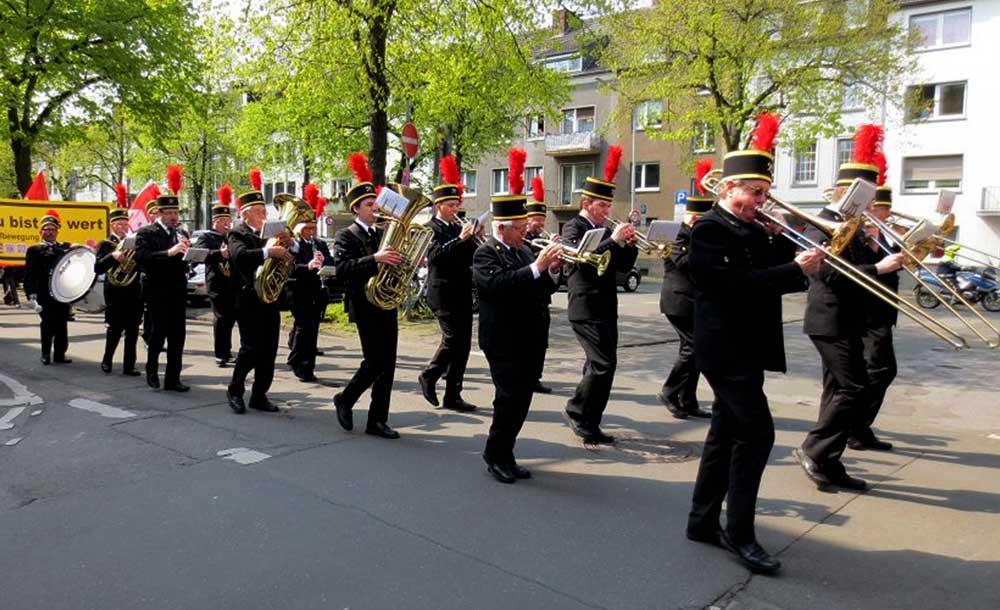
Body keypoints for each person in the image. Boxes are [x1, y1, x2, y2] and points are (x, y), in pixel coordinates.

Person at [685, 114, 823, 575]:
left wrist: (784, 243)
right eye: (755, 193)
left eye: (764, 194)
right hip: (724, 349)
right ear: (728, 189)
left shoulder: (751, 229)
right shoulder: (709, 229)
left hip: (746, 347)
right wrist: (792, 267)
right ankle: (740, 532)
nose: (761, 202)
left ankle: (702, 521)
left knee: (725, 433)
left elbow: (771, 274)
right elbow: (734, 285)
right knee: (758, 434)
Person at [796, 125, 905, 492]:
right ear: (849, 194)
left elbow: (859, 267)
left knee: (837, 390)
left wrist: (875, 250)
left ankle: (830, 459)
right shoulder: (822, 224)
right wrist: (879, 268)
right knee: (854, 387)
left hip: (850, 319)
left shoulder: (854, 226)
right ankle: (814, 449)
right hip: (829, 319)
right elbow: (828, 273)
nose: (871, 208)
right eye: (867, 201)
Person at [475, 185, 562, 484]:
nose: (525, 232)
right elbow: (497, 286)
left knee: (522, 399)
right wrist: (537, 267)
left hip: (529, 337)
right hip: (502, 339)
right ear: (502, 228)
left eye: (525, 227)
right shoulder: (486, 253)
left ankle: (506, 453)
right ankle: (495, 454)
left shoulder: (523, 250)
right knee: (507, 399)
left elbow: (541, 288)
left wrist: (552, 270)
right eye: (520, 228)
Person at [560, 145, 638, 444]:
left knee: (603, 364)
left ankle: (590, 420)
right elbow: (581, 260)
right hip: (585, 305)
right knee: (603, 365)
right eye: (602, 206)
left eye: (608, 206)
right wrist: (613, 240)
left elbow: (622, 267)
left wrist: (628, 244)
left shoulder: (606, 230)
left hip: (606, 304)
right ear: (587, 203)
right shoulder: (573, 227)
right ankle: (578, 411)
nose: (607, 211)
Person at [330, 153, 403, 439]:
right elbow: (342, 270)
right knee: (374, 362)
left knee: (388, 366)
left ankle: (377, 421)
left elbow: (390, 262)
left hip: (386, 301)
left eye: (376, 203)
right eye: (370, 205)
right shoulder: (345, 236)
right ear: (356, 209)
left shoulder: (381, 233)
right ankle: (345, 398)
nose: (376, 208)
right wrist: (376, 258)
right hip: (363, 304)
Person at [226, 170, 291, 414]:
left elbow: (288, 261)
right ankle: (235, 390)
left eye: (264, 211)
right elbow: (240, 257)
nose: (265, 215)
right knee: (250, 348)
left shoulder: (271, 234)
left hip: (270, 298)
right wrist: (268, 251)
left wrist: (289, 245)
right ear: (246, 215)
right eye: (260, 212)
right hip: (248, 299)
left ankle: (259, 395)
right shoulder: (237, 233)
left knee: (269, 350)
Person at [417, 155, 478, 412]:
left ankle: (453, 394)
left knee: (463, 346)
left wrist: (474, 240)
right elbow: (437, 257)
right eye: (450, 205)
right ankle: (429, 375)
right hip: (442, 292)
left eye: (456, 205)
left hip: (462, 290)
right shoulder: (429, 228)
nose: (455, 209)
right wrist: (461, 240)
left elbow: (468, 257)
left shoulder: (456, 227)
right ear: (439, 205)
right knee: (452, 340)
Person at [657, 161, 714, 420]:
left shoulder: (697, 236)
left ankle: (688, 400)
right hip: (678, 301)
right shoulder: (678, 235)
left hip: (694, 301)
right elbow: (685, 264)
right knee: (693, 347)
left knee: (695, 349)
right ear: (693, 218)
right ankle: (670, 392)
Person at [851, 167, 898, 451]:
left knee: (884, 369)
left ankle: (860, 426)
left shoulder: (886, 233)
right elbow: (866, 268)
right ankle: (855, 427)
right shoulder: (860, 232)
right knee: (878, 369)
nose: (886, 213)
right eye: (881, 207)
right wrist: (873, 240)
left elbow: (896, 265)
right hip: (867, 311)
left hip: (884, 308)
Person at [134, 183, 191, 392]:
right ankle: (151, 371)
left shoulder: (181, 232)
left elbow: (183, 260)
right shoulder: (146, 232)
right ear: (159, 213)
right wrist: (169, 252)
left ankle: (173, 379)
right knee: (158, 334)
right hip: (157, 290)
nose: (174, 217)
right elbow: (142, 258)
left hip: (178, 290)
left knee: (178, 336)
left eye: (176, 212)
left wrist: (191, 254)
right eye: (169, 213)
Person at [285, 193, 333, 382]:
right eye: (308, 228)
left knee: (312, 330)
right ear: (300, 229)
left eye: (313, 227)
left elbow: (330, 261)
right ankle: (298, 363)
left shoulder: (319, 244)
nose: (311, 231)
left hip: (317, 291)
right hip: (298, 291)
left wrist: (324, 262)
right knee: (304, 327)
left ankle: (306, 365)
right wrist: (309, 266)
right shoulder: (293, 245)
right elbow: (289, 268)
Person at [93, 206, 142, 375]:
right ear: (112, 225)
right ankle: (107, 359)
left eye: (125, 224)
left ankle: (129, 365)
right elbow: (98, 267)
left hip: (133, 290)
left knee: (133, 329)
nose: (123, 227)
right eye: (119, 224)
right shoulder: (105, 244)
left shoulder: (134, 243)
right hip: (115, 292)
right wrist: (112, 256)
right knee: (115, 328)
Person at [194, 187, 238, 367]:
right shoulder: (207, 237)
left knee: (230, 319)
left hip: (232, 283)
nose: (227, 224)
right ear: (215, 222)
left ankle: (227, 351)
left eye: (228, 220)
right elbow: (198, 254)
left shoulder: (232, 237)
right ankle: (221, 354)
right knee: (221, 319)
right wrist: (219, 254)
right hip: (217, 283)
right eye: (223, 221)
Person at [23, 209, 73, 365]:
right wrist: (30, 294)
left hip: (62, 292)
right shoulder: (34, 250)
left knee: (62, 324)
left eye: (53, 229)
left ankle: (60, 354)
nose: (50, 232)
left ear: (57, 231)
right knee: (47, 324)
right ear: (40, 232)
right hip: (44, 293)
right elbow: (29, 274)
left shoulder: (64, 248)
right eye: (47, 229)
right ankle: (45, 353)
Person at [522, 175, 554, 395]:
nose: (540, 224)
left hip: (543, 297)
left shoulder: (542, 239)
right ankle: (526, 376)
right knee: (528, 342)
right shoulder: (522, 240)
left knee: (541, 342)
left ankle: (536, 377)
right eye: (536, 219)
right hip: (527, 298)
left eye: (542, 219)